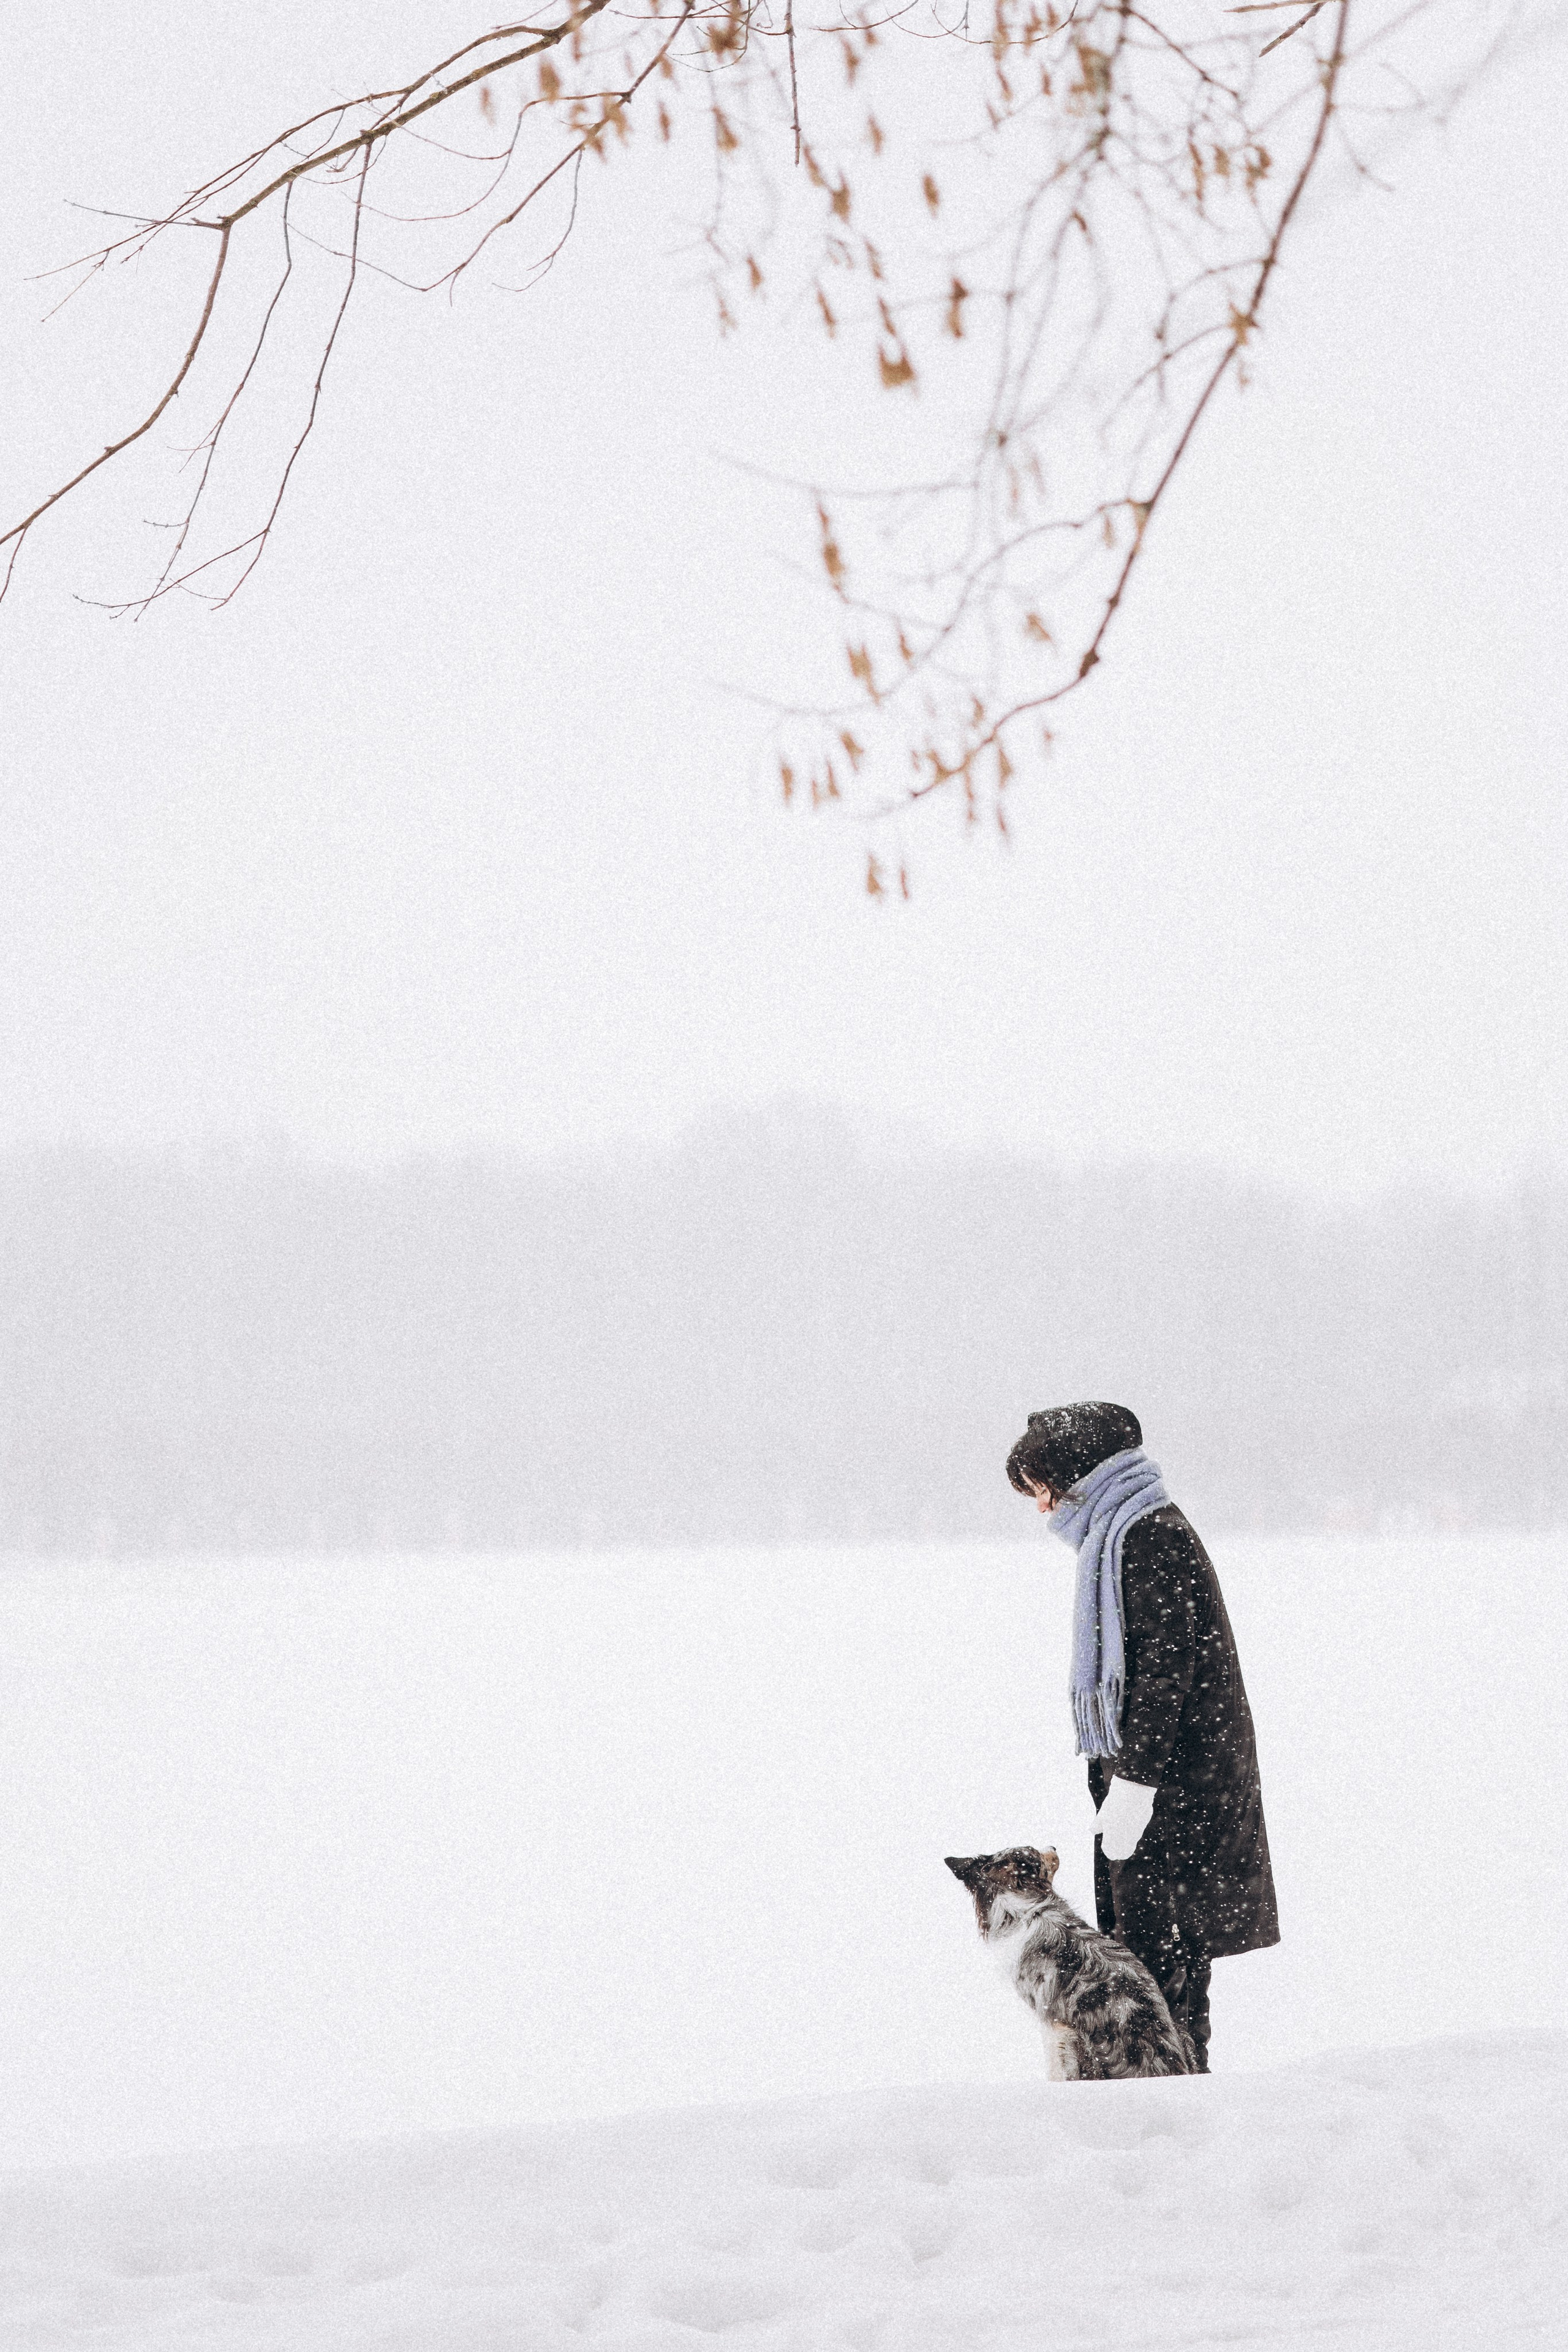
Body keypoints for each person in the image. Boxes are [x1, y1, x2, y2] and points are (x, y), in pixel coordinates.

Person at [1005, 1401, 1278, 2071]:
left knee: (1160, 1966)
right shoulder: (1125, 1531)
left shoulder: (1146, 1536)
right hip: (1164, 1785)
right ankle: (1177, 2094)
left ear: (1075, 1475)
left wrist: (1134, 1786)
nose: (1042, 1509)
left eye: (1041, 1490)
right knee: (1155, 1964)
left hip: (1176, 1793)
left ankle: (1176, 2102)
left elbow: (1166, 1674)